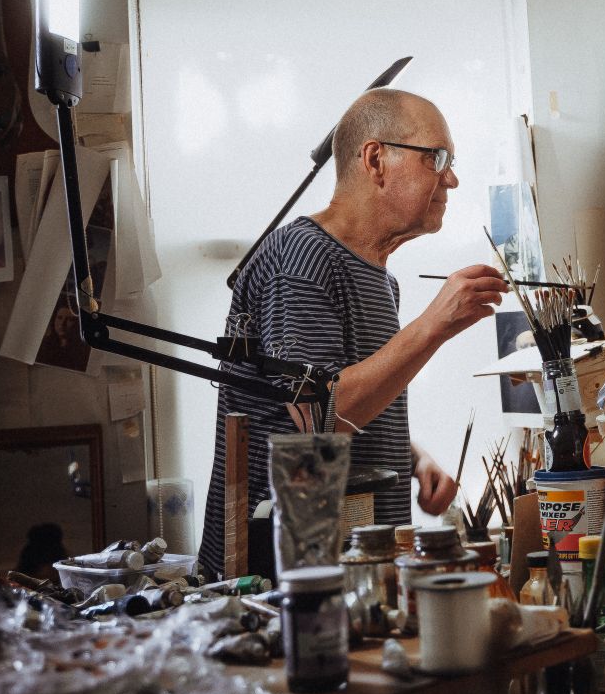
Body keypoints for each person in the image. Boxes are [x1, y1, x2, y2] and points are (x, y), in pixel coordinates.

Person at [198, 89, 508, 580]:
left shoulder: (380, 278)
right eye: (437, 157)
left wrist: (414, 458)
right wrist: (432, 326)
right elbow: (318, 419)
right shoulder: (300, 259)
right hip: (281, 582)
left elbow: (353, 398)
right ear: (375, 159)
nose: (451, 177)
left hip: (354, 571)